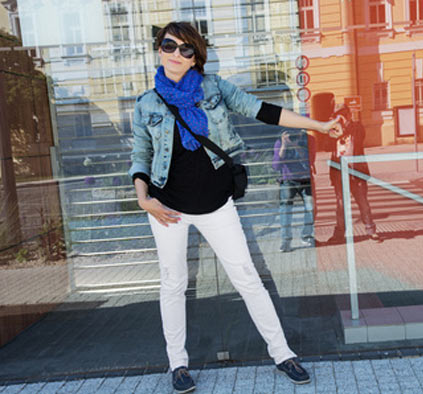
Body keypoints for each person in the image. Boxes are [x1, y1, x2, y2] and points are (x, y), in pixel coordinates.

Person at [128, 22, 342, 393]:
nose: (175, 54)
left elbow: (262, 110)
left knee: (247, 278)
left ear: (197, 58)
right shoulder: (147, 103)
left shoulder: (214, 89)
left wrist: (318, 125)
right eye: (168, 46)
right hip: (167, 209)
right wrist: (142, 198)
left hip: (215, 205)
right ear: (158, 49)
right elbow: (141, 155)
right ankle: (178, 365)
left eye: (185, 49)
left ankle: (282, 353)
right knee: (173, 284)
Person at [328, 104, 379, 242]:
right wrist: (332, 124)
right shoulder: (333, 130)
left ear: (349, 114)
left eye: (343, 114)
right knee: (341, 207)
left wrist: (346, 123)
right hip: (340, 174)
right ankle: (338, 235)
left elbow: (360, 135)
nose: (341, 117)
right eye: (338, 114)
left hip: (357, 173)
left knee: (363, 203)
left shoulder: (357, 127)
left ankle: (371, 231)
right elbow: (326, 144)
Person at [272, 129, 315, 252]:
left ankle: (306, 236)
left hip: (305, 179)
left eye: (295, 135)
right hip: (288, 180)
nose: (293, 138)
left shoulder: (306, 140)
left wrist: (297, 146)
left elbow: (309, 162)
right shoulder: (280, 142)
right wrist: (284, 146)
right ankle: (286, 241)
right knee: (285, 210)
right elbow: (276, 166)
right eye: (291, 136)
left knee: (310, 208)